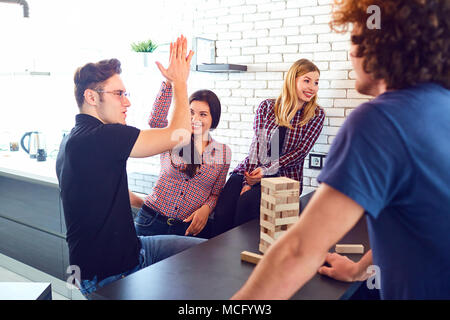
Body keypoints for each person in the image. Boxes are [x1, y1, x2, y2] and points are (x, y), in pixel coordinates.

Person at [232, 0, 450, 300]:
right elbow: (417, 222)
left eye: (357, 39)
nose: (351, 51)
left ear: (382, 47)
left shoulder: (378, 120)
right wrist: (359, 269)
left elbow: (299, 251)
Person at [56, 36, 206, 298]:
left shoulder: (71, 140)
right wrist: (179, 82)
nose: (127, 102)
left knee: (208, 253)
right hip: (109, 273)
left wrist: (143, 204)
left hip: (130, 250)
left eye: (126, 93)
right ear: (91, 97)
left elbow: (100, 191)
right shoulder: (103, 136)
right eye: (119, 94)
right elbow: (179, 135)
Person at [212, 59, 325, 237]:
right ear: (292, 80)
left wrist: (265, 172)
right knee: (225, 204)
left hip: (284, 179)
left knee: (246, 204)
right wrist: (247, 181)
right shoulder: (267, 107)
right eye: (307, 80)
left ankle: (238, 254)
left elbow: (301, 152)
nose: (312, 87)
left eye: (316, 82)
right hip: (252, 170)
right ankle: (210, 254)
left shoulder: (316, 114)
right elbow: (258, 145)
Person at [132, 79, 231, 238]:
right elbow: (156, 121)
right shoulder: (173, 137)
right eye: (190, 112)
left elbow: (215, 193)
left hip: (187, 229)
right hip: (151, 221)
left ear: (214, 118)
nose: (195, 119)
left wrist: (206, 209)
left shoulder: (223, 152)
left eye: (203, 114)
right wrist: (170, 82)